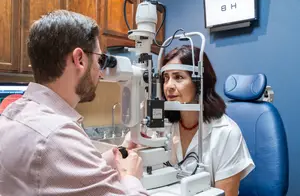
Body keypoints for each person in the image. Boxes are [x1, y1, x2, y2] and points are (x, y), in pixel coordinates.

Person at [0, 10, 148, 196]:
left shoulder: (13, 113)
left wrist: (120, 152)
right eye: (99, 60)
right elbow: (57, 149)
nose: (100, 72)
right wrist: (130, 177)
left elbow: (61, 170)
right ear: (79, 59)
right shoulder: (57, 134)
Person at [160, 45, 255, 195]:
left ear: (199, 83)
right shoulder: (164, 126)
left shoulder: (226, 133)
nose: (168, 86)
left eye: (178, 77)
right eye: (166, 78)